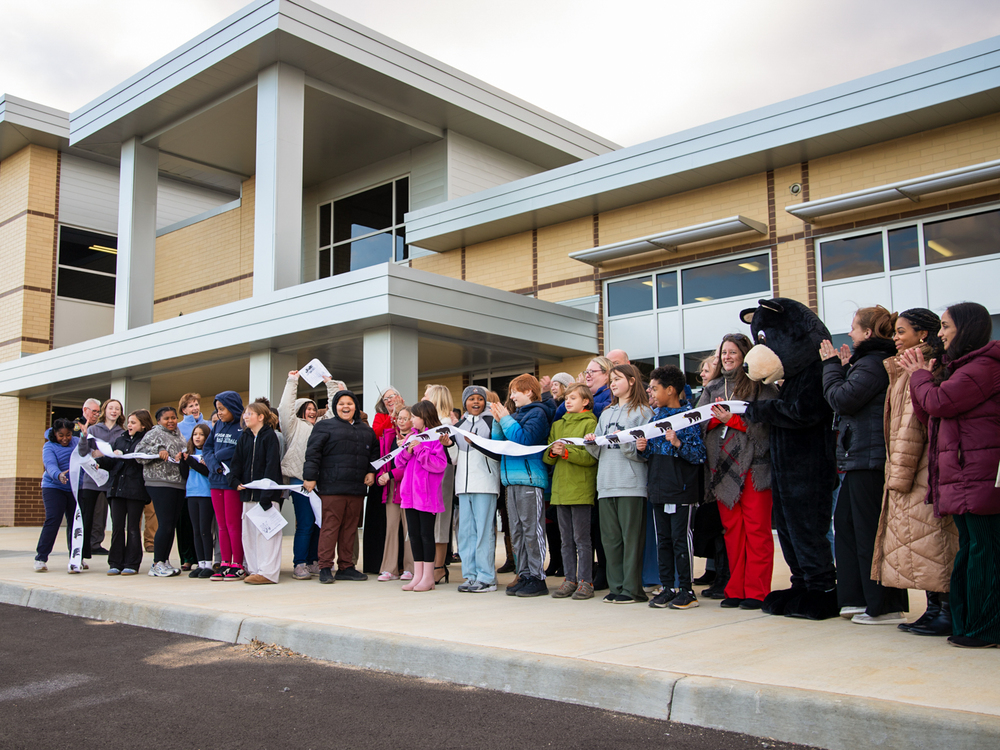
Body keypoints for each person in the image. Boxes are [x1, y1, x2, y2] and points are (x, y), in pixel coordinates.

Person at [903, 301, 1000, 648]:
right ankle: (968, 624)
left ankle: (985, 628)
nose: (940, 334)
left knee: (984, 552)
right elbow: (929, 412)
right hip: (962, 477)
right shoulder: (961, 368)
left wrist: (919, 374)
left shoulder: (983, 367)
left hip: (980, 476)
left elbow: (939, 402)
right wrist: (924, 379)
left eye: (946, 326)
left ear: (967, 328)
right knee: (972, 550)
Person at [821, 305, 909, 625]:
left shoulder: (872, 364)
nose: (851, 333)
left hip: (869, 460)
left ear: (868, 333)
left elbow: (842, 399)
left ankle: (884, 605)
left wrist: (830, 366)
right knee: (845, 526)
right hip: (858, 458)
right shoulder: (865, 364)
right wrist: (842, 369)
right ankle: (856, 598)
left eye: (855, 328)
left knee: (869, 534)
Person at [872, 308, 958, 636]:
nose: (895, 336)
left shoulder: (920, 366)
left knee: (931, 542)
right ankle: (934, 609)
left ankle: (945, 611)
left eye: (901, 331)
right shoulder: (904, 365)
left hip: (919, 468)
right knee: (918, 545)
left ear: (923, 334)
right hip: (911, 466)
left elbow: (911, 427)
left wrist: (900, 474)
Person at [698, 334, 778, 609]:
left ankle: (757, 591)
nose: (727, 357)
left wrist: (730, 419)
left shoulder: (760, 386)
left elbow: (767, 427)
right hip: (721, 468)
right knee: (732, 532)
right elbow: (697, 423)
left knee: (757, 531)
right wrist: (713, 420)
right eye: (724, 352)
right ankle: (736, 589)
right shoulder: (713, 387)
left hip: (754, 468)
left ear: (745, 354)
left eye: (733, 352)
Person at [636, 365, 707, 610]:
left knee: (680, 539)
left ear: (671, 390)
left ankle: (687, 589)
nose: (650, 392)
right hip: (658, 489)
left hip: (682, 490)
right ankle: (667, 587)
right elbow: (650, 455)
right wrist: (643, 448)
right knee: (663, 540)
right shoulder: (655, 418)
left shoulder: (688, 417)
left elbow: (699, 455)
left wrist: (677, 442)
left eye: (655, 388)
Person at [584, 364, 654, 604]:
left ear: (632, 381)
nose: (613, 384)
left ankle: (633, 590)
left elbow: (645, 453)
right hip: (605, 484)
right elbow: (597, 454)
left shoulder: (644, 412)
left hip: (631, 484)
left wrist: (626, 443)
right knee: (611, 540)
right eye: (611, 380)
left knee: (631, 539)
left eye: (618, 379)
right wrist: (591, 444)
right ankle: (616, 587)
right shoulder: (606, 413)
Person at [302, 389, 378, 584]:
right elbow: (313, 453)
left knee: (350, 528)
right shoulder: (324, 426)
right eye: (341, 403)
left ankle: (346, 567)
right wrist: (310, 477)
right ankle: (325, 566)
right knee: (330, 527)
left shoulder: (366, 431)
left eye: (350, 403)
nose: (346, 407)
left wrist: (371, 471)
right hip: (332, 487)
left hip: (356, 488)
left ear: (356, 407)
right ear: (335, 407)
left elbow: (374, 456)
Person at [492, 374, 552, 597]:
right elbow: (501, 445)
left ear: (529, 392)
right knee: (516, 531)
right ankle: (524, 573)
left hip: (529, 479)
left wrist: (506, 419)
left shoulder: (538, 413)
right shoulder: (515, 414)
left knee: (531, 530)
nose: (512, 396)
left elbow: (524, 439)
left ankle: (537, 577)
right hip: (511, 480)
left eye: (516, 391)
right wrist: (499, 422)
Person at [279, 370, 338, 580]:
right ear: (300, 411)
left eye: (314, 408)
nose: (312, 411)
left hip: (321, 482)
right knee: (305, 522)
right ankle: (300, 563)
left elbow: (334, 410)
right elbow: (285, 408)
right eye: (307, 408)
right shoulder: (293, 427)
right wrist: (292, 381)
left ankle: (314, 560)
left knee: (318, 523)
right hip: (299, 480)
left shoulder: (323, 427)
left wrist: (330, 385)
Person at [543, 383, 598, 600]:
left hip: (581, 488)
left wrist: (566, 452)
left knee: (581, 538)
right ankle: (569, 579)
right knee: (565, 538)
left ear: (585, 401)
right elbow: (547, 457)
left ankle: (586, 581)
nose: (568, 401)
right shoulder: (558, 425)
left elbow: (590, 457)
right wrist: (554, 453)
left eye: (573, 398)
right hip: (560, 489)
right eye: (566, 398)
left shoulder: (591, 422)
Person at [396, 400, 449, 592]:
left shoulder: (435, 437)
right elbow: (399, 463)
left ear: (424, 416)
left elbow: (439, 465)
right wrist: (408, 450)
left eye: (415, 416)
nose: (412, 420)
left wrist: (418, 449)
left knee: (427, 536)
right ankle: (417, 575)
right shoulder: (412, 435)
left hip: (426, 496)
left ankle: (428, 577)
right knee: (415, 536)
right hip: (409, 496)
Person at [229, 402, 284, 585]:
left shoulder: (270, 437)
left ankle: (267, 572)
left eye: (250, 413)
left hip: (266, 496)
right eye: (245, 413)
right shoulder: (244, 437)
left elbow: (272, 466)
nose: (245, 416)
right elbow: (236, 462)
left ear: (261, 417)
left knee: (267, 534)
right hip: (248, 494)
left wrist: (266, 494)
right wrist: (234, 481)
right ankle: (254, 569)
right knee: (249, 534)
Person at [454, 386, 501, 593]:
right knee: (466, 533)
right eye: (471, 399)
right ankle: (471, 575)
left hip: (485, 483)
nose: (475, 402)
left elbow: (498, 451)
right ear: (464, 402)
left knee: (483, 532)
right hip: (463, 486)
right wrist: (448, 445)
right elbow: (454, 459)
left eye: (479, 399)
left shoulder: (492, 421)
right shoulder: (459, 425)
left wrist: (478, 443)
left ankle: (487, 577)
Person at [95, 409, 153, 576]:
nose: (129, 425)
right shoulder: (119, 440)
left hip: (135, 490)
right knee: (117, 527)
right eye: (129, 422)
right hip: (116, 489)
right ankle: (115, 562)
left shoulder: (145, 442)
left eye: (133, 422)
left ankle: (132, 563)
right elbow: (110, 460)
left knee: (133, 527)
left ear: (143, 425)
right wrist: (99, 462)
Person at [135, 406, 188, 577]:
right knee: (165, 523)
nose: (171, 421)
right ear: (159, 421)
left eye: (173, 417)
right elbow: (138, 454)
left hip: (178, 483)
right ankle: (157, 563)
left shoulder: (179, 434)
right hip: (159, 483)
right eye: (167, 418)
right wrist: (157, 451)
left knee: (171, 524)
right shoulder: (153, 433)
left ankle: (164, 560)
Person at [202, 391, 245, 581]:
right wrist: (214, 464)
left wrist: (218, 456)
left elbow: (239, 449)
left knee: (233, 524)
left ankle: (238, 564)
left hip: (232, 482)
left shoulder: (242, 425)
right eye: (217, 409)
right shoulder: (218, 425)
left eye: (222, 409)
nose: (219, 413)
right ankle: (225, 562)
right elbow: (207, 448)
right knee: (221, 525)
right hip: (215, 480)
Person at [76, 398, 125, 559]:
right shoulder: (94, 429)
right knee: (86, 518)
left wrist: (101, 454)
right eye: (111, 408)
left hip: (112, 480)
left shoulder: (122, 432)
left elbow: (120, 454)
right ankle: (81, 556)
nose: (114, 411)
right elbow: (84, 452)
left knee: (115, 519)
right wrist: (84, 437)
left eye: (117, 408)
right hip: (92, 479)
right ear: (105, 410)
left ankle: (116, 556)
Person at [375, 405, 415, 582]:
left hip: (409, 487)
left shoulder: (416, 438)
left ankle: (411, 568)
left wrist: (390, 475)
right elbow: (383, 462)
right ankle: (389, 568)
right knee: (391, 528)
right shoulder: (389, 436)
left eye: (405, 418)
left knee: (409, 529)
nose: (401, 421)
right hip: (391, 487)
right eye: (399, 418)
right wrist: (381, 476)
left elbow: (409, 466)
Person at [424, 384, 458, 584]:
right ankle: (430, 565)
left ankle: (439, 566)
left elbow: (450, 455)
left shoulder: (445, 425)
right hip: (428, 477)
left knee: (440, 521)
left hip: (442, 477)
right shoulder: (430, 425)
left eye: (427, 396)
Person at [35, 420, 79, 572]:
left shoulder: (76, 442)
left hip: (73, 488)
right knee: (53, 519)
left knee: (75, 523)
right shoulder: (49, 446)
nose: (65, 438)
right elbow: (50, 465)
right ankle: (41, 558)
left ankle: (75, 558)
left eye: (68, 435)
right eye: (61, 435)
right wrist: (58, 475)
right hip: (53, 486)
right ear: (54, 433)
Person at [181, 423, 214, 578]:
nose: (197, 437)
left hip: (206, 494)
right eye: (195, 434)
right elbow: (184, 474)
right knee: (195, 530)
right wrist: (183, 460)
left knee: (204, 530)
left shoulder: (209, 454)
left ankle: (208, 562)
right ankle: (200, 563)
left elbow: (208, 473)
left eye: (201, 434)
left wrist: (192, 462)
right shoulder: (189, 453)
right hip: (191, 493)